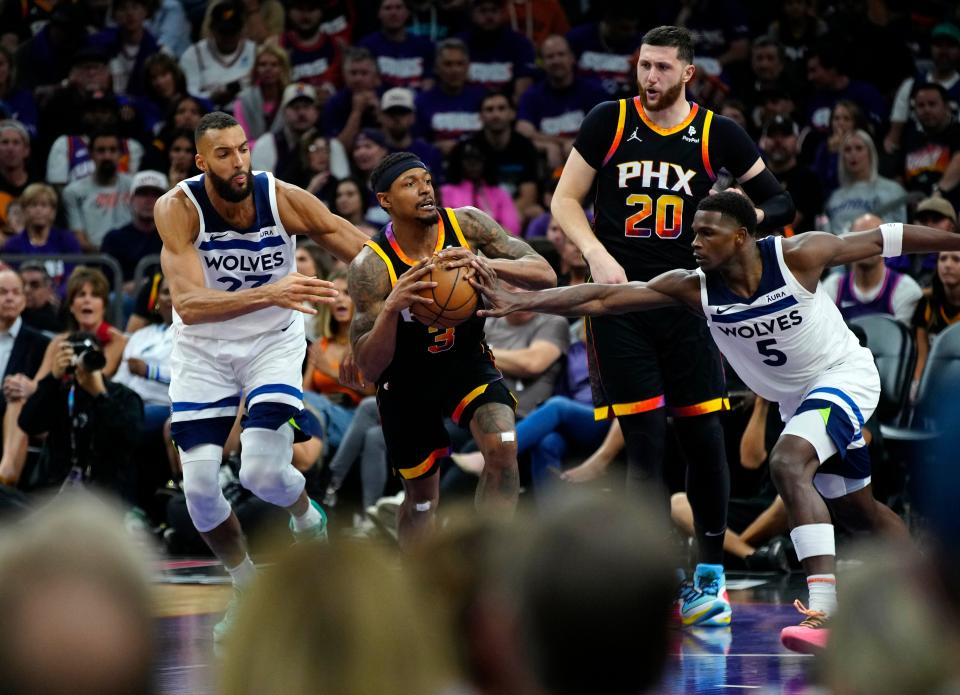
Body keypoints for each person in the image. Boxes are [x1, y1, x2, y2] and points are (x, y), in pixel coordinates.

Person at [472, 191, 960, 653]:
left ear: (742, 236)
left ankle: (824, 613)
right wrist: (523, 301)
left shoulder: (798, 256)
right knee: (859, 511)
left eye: (707, 233)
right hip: (796, 399)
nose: (695, 242)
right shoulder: (694, 287)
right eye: (694, 233)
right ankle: (937, 592)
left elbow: (882, 239)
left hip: (844, 377)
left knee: (789, 463)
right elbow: (601, 298)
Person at [549, 24, 794, 627]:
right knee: (645, 446)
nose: (649, 78)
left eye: (662, 68)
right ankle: (655, 578)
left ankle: (710, 575)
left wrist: (738, 222)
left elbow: (781, 203)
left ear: (688, 73)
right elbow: (564, 200)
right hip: (621, 305)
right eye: (643, 66)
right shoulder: (609, 120)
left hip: (691, 304)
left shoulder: (716, 134)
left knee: (703, 439)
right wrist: (594, 253)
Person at [154, 111, 367, 643]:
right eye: (224, 153)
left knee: (261, 475)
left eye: (243, 148)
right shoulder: (177, 209)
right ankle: (245, 587)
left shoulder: (281, 197)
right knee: (200, 488)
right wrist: (271, 292)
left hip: (272, 343)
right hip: (203, 351)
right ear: (201, 162)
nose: (238, 161)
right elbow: (188, 303)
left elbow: (358, 246)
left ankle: (307, 516)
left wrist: (411, 279)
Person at [347, 151, 555, 549]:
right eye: (410, 184)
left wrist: (486, 264)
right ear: (385, 200)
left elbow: (545, 273)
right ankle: (418, 584)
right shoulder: (370, 267)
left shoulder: (466, 223)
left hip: (466, 361)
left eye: (426, 180)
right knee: (423, 501)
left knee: (503, 446)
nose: (425, 190)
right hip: (405, 379)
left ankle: (489, 559)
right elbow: (370, 367)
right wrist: (392, 307)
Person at [822, 214, 922, 325]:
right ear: (848, 244)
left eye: (875, 239)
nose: (866, 246)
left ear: (888, 244)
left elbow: (902, 340)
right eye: (859, 238)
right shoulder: (832, 287)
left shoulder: (906, 289)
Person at [0, 270, 49, 486]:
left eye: (15, 292)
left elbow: (47, 390)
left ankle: (6, 478)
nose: (9, 298)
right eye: (2, 292)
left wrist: (29, 387)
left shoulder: (40, 343)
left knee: (16, 392)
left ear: (23, 299)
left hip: (18, 418)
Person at [825, 130, 908, 235]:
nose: (853, 154)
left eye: (859, 148)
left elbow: (899, 233)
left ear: (870, 153)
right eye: (847, 150)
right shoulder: (834, 198)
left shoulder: (892, 189)